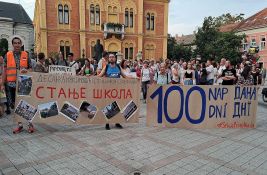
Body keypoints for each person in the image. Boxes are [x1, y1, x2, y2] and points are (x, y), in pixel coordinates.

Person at [3, 36, 33, 133]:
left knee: (26, 104)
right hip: (11, 85)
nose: (17, 45)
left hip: (24, 84)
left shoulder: (26, 55)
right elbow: (4, 70)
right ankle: (20, 125)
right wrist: (2, 83)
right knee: (16, 106)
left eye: (18, 43)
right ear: (12, 44)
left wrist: (27, 70)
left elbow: (31, 69)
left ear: (21, 44)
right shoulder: (7, 55)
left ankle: (30, 124)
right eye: (15, 43)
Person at [98, 53, 128, 130]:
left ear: (115, 58)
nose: (111, 58)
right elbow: (99, 76)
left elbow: (125, 76)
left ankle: (117, 122)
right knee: (108, 106)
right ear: (108, 59)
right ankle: (107, 123)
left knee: (117, 106)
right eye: (110, 57)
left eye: (113, 57)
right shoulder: (106, 67)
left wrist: (135, 78)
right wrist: (89, 77)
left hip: (117, 91)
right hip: (108, 91)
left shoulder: (118, 66)